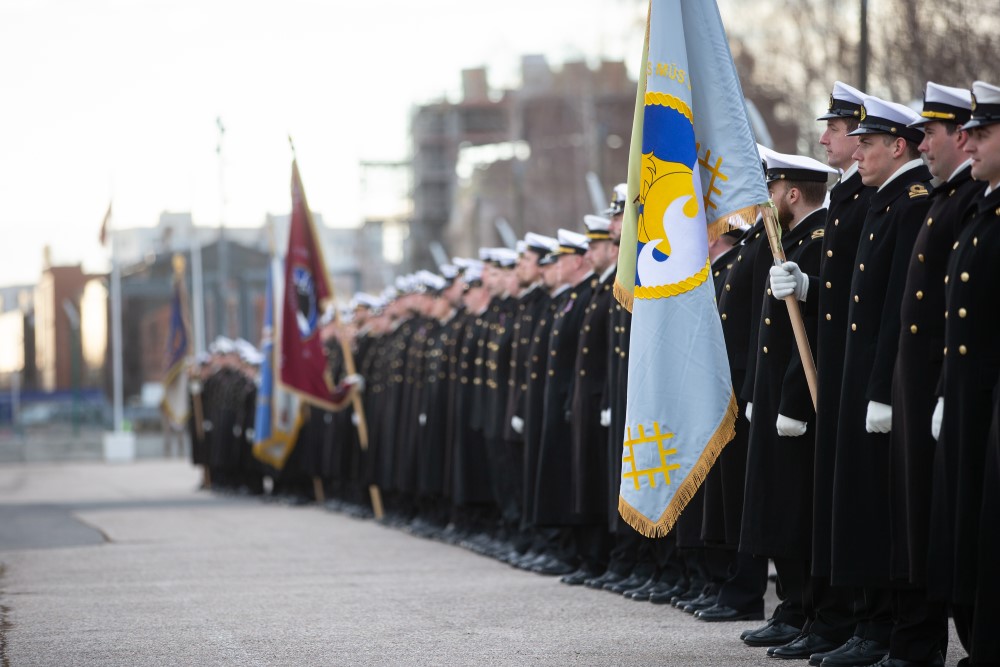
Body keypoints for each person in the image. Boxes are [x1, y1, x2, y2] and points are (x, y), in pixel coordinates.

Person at [883, 81, 981, 667]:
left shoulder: (965, 199)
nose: (921, 144)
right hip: (918, 382)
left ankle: (947, 638)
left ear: (960, 137)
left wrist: (944, 385)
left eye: (930, 134)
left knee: (949, 519)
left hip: (948, 382)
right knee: (920, 516)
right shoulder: (948, 197)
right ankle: (917, 637)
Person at [929, 80, 1000, 667]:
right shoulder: (981, 207)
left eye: (981, 133)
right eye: (968, 133)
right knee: (970, 525)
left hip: (990, 396)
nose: (967, 142)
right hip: (969, 395)